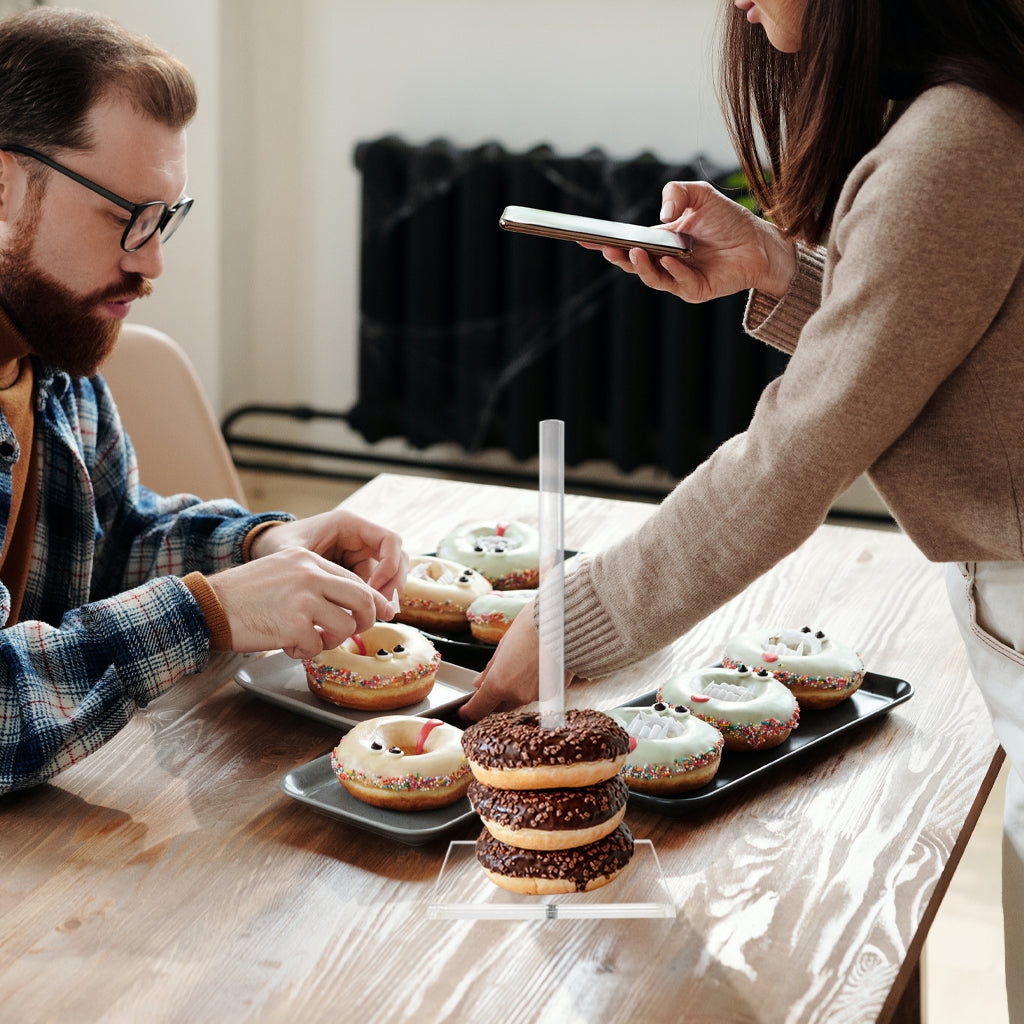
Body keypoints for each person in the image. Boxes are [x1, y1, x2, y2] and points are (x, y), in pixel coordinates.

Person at [460, 0, 1024, 1016]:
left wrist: (568, 618)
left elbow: (794, 455)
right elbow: (952, 346)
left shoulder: (955, 139)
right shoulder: (981, 111)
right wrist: (784, 272)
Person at [0, 8, 408, 794]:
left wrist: (260, 549)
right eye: (126, 218)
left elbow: (107, 542)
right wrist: (208, 613)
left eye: (164, 219)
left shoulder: (55, 355)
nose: (151, 260)